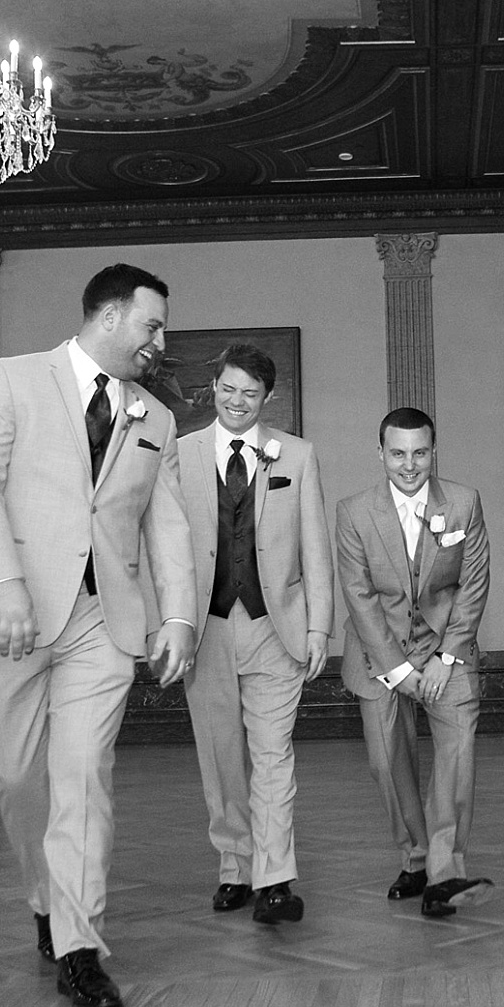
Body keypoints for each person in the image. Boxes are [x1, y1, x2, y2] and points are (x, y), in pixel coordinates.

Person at [0, 262, 196, 1007]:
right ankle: (44, 896)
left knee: (84, 774)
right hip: (12, 616)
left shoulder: (156, 419)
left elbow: (169, 522)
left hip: (105, 621)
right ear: (111, 316)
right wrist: (3, 585)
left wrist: (179, 616)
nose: (160, 340)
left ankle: (80, 944)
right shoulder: (10, 378)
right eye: (152, 324)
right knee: (17, 777)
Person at [175, 344, 332, 924]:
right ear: (212, 388)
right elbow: (162, 545)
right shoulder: (180, 454)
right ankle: (234, 867)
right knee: (221, 758)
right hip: (205, 629)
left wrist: (318, 626)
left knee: (273, 757)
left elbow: (315, 545)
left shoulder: (297, 454)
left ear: (268, 398)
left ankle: (273, 879)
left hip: (276, 626)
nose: (237, 402)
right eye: (227, 389)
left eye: (250, 394)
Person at [335, 407, 494, 917]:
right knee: (388, 762)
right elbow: (359, 597)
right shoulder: (353, 512)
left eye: (420, 453)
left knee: (456, 756)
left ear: (433, 451)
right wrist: (400, 672)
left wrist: (446, 658)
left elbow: (472, 586)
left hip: (448, 650)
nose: (409, 465)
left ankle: (446, 874)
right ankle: (416, 857)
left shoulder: (465, 503)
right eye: (398, 453)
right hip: (379, 656)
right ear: (379, 452)